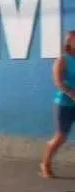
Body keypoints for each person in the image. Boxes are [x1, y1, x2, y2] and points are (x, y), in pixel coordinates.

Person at [41, 30, 75, 178]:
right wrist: (72, 94)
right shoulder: (62, 60)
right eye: (73, 39)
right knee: (61, 137)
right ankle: (45, 163)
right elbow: (58, 82)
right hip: (65, 104)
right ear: (68, 42)